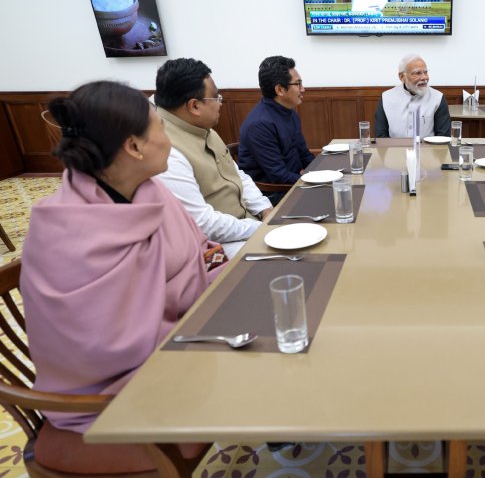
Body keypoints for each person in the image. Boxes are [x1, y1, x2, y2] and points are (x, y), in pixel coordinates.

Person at [19, 81, 216, 473]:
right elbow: (104, 347)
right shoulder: (63, 234)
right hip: (109, 393)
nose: (170, 140)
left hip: (176, 338)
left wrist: (203, 260)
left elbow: (183, 261)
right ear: (134, 146)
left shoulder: (149, 189)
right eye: (160, 126)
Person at [154, 58, 272, 258]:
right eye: (216, 97)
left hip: (247, 226)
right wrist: (259, 228)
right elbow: (203, 224)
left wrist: (265, 209)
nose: (220, 102)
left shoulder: (202, 128)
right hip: (217, 246)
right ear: (194, 106)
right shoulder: (165, 149)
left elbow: (236, 174)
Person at [238, 56, 315, 201]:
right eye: (297, 84)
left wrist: (318, 173)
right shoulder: (259, 125)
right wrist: (312, 180)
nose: (303, 89)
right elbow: (277, 175)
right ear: (280, 90)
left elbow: (304, 154)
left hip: (293, 181)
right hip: (272, 193)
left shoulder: (289, 111)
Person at [374, 54, 451, 139]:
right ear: (402, 77)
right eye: (417, 73)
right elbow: (380, 135)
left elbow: (443, 136)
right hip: (394, 150)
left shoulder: (437, 98)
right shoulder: (386, 98)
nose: (424, 77)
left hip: (427, 150)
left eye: (425, 72)